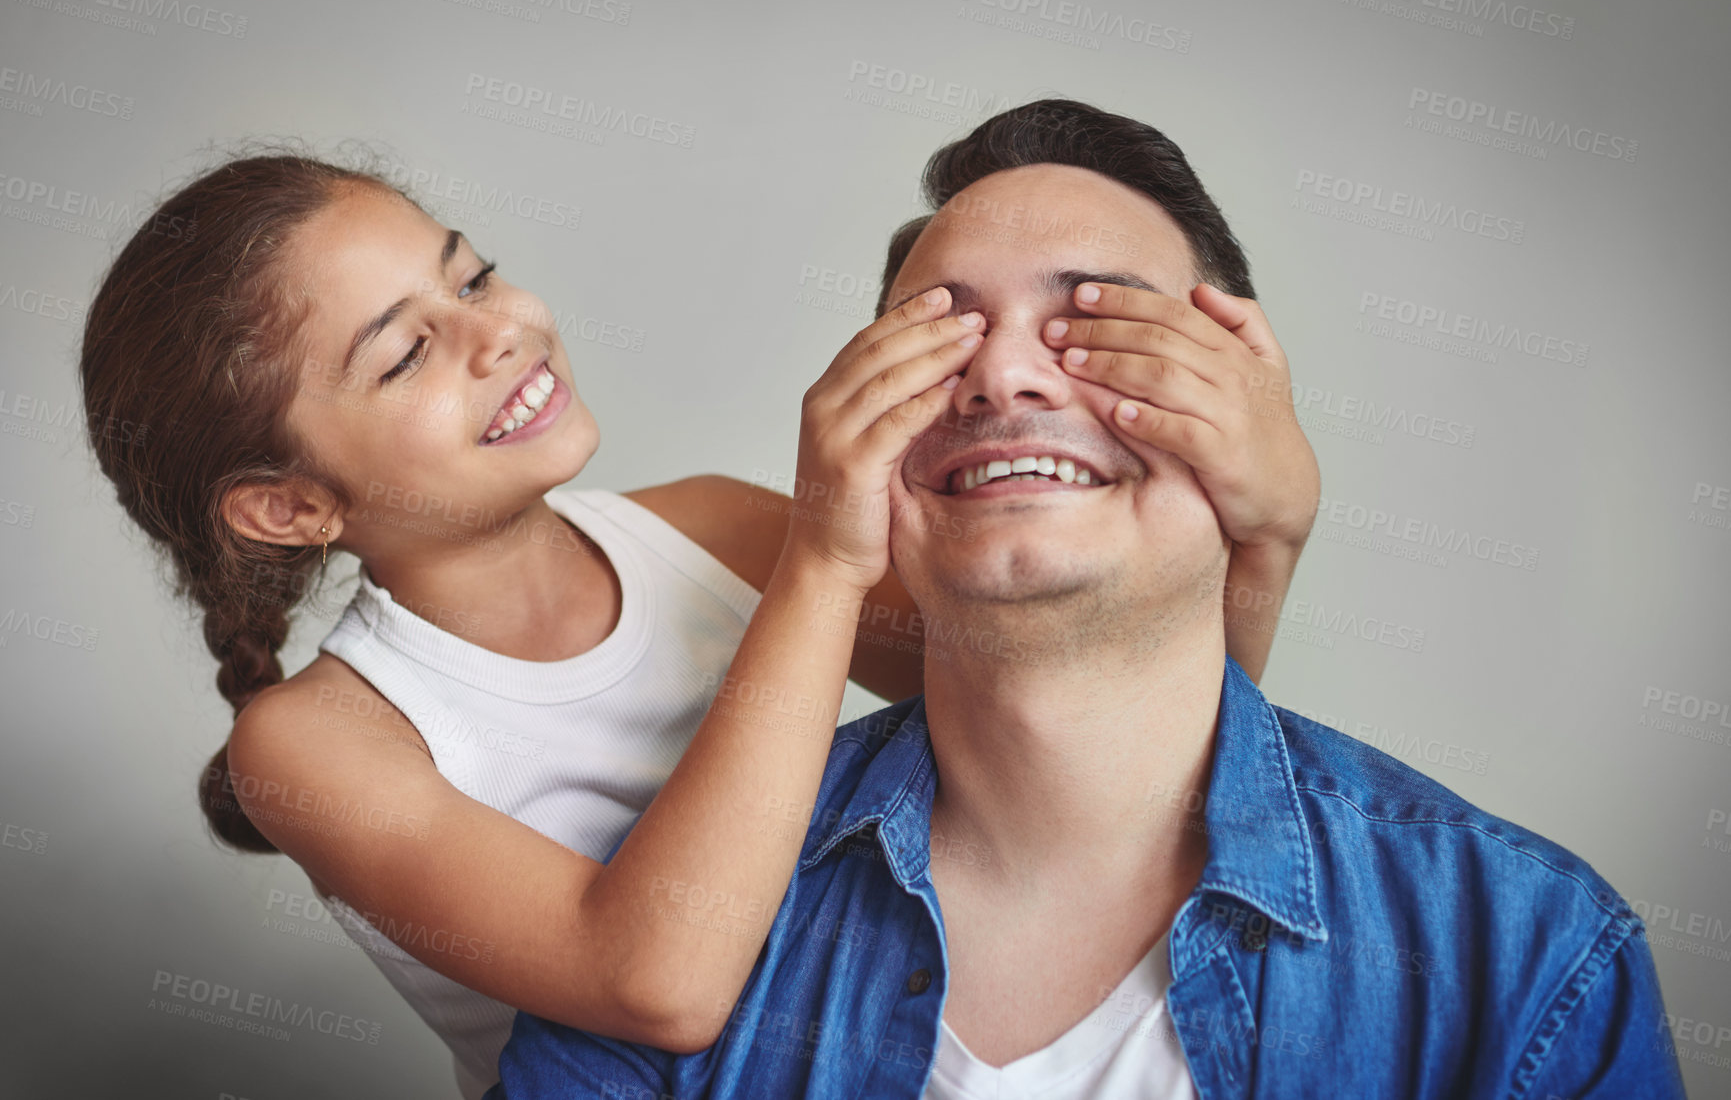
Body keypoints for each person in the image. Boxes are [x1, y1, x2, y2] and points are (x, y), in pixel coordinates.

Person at [490, 100, 1688, 1099]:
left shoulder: (1526, 954)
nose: (1001, 372)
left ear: (1251, 405)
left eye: (1093, 324)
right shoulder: (675, 926)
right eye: (939, 333)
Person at [78, 138, 1318, 1097]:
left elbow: (1124, 731)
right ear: (290, 507)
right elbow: (658, 987)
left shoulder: (715, 528)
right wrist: (827, 564)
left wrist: (1270, 525)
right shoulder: (312, 749)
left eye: (473, 273)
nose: (497, 333)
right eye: (405, 356)